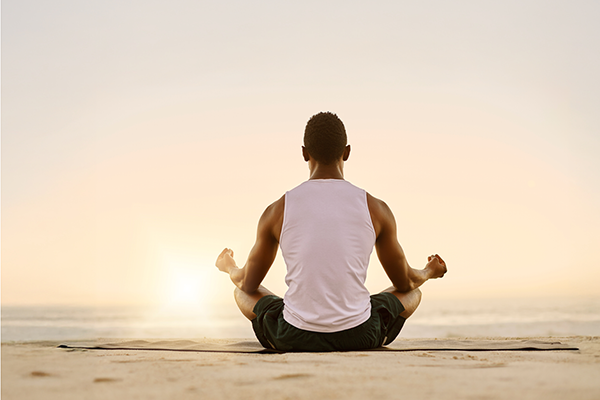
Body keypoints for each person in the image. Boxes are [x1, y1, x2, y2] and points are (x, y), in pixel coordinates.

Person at [215, 111, 447, 351]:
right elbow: (406, 281)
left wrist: (229, 266)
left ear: (304, 153)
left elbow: (247, 284)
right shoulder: (377, 209)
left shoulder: (276, 211)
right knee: (414, 293)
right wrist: (429, 271)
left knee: (240, 292)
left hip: (293, 337)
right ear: (347, 152)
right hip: (359, 335)